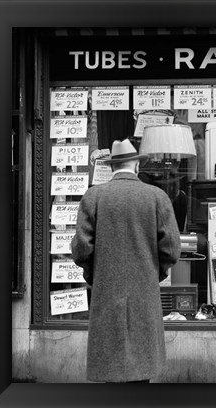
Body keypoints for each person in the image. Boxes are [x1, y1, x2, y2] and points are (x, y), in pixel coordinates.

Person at [71, 138, 181, 383]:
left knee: (110, 366)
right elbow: (172, 249)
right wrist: (155, 273)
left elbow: (81, 249)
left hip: (106, 292)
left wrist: (95, 275)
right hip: (145, 292)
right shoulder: (156, 196)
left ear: (111, 167)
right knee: (142, 369)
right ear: (137, 167)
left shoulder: (94, 196)